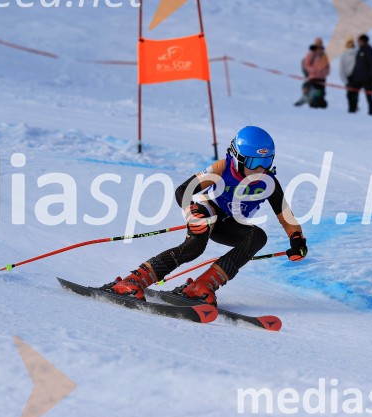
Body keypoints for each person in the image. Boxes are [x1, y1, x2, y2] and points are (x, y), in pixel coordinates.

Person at [108, 126, 308, 306]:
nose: (260, 169)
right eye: (254, 162)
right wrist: (191, 214)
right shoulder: (221, 168)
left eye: (266, 162)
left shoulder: (268, 182)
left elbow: (285, 215)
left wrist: (297, 239)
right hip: (206, 211)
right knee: (194, 247)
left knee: (257, 237)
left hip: (229, 223)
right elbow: (183, 190)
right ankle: (133, 280)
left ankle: (201, 286)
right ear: (237, 158)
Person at [345, 34, 372, 114]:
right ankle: (352, 109)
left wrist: (371, 77)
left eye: (359, 41)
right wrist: (352, 76)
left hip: (366, 79)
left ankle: (370, 113)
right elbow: (357, 65)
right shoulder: (359, 50)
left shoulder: (369, 50)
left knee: (369, 96)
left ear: (363, 41)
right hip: (357, 78)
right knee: (352, 94)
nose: (357, 42)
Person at [295, 37, 330, 108]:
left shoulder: (324, 55)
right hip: (313, 79)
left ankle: (320, 105)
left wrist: (324, 72)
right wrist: (314, 70)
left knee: (320, 95)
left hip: (322, 80)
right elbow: (306, 65)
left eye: (320, 43)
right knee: (313, 95)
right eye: (317, 44)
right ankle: (311, 104)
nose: (319, 45)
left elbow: (328, 67)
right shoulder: (311, 53)